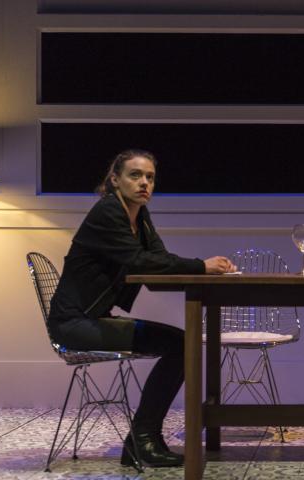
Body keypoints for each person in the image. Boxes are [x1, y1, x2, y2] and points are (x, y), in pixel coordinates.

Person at [48, 149, 236, 468]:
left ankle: (143, 439)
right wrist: (200, 266)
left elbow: (158, 258)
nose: (144, 183)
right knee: (182, 344)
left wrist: (202, 267)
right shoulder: (108, 212)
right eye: (135, 175)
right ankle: (143, 440)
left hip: (93, 319)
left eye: (150, 177)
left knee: (182, 343)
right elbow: (138, 261)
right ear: (115, 180)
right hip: (74, 324)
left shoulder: (139, 216)